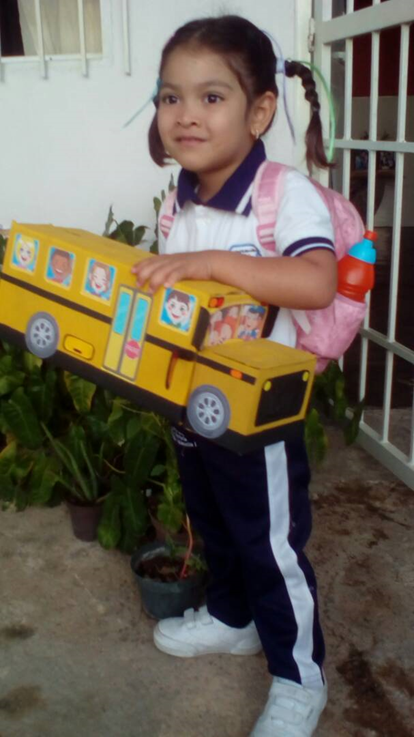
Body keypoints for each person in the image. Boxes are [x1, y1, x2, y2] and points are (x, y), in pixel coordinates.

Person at [132, 15, 337, 737]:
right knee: (213, 518)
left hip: (259, 415)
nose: (186, 114)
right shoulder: (181, 196)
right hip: (195, 401)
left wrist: (213, 263)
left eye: (211, 97)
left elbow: (316, 281)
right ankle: (231, 616)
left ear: (259, 111)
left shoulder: (283, 193)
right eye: (170, 97)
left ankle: (299, 677)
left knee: (270, 544)